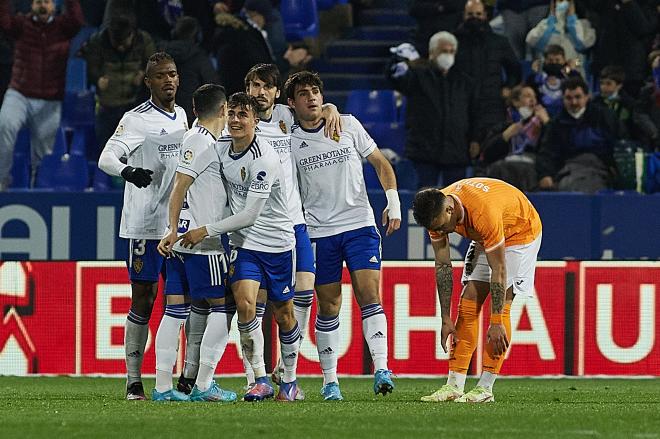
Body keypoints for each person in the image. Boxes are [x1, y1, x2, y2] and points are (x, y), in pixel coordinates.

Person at [285, 71, 402, 400]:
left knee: (369, 295)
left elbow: (381, 163)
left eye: (316, 92)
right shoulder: (290, 141)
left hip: (359, 224)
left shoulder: (347, 124)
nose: (312, 98)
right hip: (320, 232)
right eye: (303, 94)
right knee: (330, 305)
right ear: (291, 103)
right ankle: (330, 381)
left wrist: (393, 204)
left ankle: (381, 368)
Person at [179, 92, 302, 402]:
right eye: (231, 114)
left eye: (242, 115)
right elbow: (188, 173)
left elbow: (249, 215)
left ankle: (289, 380)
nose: (235, 120)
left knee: (285, 315)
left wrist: (203, 229)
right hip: (243, 245)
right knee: (245, 306)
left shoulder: (265, 158)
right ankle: (260, 379)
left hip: (277, 244)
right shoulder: (220, 147)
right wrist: (176, 221)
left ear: (254, 121)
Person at [241, 63, 342, 395]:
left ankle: (288, 372)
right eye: (253, 86)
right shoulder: (239, 121)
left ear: (275, 93)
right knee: (249, 302)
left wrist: (330, 107)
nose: (259, 92)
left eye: (265, 86)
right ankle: (254, 379)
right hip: (253, 226)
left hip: (294, 223)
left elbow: (314, 108)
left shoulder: (286, 115)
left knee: (304, 290)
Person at [98, 52, 188, 400]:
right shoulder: (134, 120)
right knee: (144, 298)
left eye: (173, 73)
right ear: (147, 82)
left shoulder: (182, 116)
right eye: (160, 75)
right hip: (143, 226)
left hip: (175, 226)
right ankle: (133, 379)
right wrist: (128, 172)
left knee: (183, 299)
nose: (168, 80)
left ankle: (178, 378)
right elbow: (106, 156)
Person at [412, 178, 542, 403]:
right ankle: (454, 385)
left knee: (502, 307)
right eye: (435, 229)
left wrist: (496, 320)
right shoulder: (437, 211)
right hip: (488, 235)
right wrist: (445, 317)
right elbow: (443, 265)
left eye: (441, 226)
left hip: (520, 233)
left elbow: (499, 269)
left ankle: (485, 388)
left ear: (450, 209)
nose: (440, 231)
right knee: (469, 301)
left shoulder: (483, 213)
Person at [154, 84, 236, 403]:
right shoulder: (203, 143)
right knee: (223, 307)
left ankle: (163, 387)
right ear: (224, 110)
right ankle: (203, 384)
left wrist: (171, 230)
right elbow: (179, 187)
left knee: (175, 311)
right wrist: (173, 228)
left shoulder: (195, 138)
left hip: (180, 239)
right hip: (202, 241)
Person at [0, 0, 84, 190]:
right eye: (38, 2)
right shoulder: (22, 25)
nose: (42, 6)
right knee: (5, 124)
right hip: (19, 93)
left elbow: (77, 19)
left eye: (46, 2)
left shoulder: (64, 28)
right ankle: (1, 179)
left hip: (50, 99)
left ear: (54, 6)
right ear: (31, 5)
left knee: (43, 154)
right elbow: (4, 21)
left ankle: (38, 188)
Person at [387, 31, 480, 188]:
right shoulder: (417, 75)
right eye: (444, 51)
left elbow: (474, 113)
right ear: (432, 53)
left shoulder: (464, 82)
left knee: (454, 201)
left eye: (451, 52)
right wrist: (399, 59)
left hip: (456, 152)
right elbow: (395, 77)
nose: (448, 55)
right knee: (424, 202)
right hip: (424, 152)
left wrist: (475, 139)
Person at [79, 11, 155, 158]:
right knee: (105, 147)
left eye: (123, 43)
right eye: (116, 43)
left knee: (136, 148)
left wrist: (143, 74)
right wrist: (97, 79)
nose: (120, 47)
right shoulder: (98, 41)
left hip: (136, 104)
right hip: (108, 104)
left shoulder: (144, 41)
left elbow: (154, 64)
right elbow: (91, 68)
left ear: (131, 35)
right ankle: (104, 178)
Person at [537, 76, 621, 193]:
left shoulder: (604, 117)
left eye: (578, 97)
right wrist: (544, 175)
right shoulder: (556, 124)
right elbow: (546, 152)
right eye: (569, 98)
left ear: (587, 97)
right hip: (567, 168)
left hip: (599, 168)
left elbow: (616, 144)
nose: (574, 102)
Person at [454, 0, 521, 134]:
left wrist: (508, 86)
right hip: (460, 105)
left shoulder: (499, 42)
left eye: (478, 14)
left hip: (492, 106)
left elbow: (515, 69)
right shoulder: (453, 41)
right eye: (470, 14)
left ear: (485, 15)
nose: (475, 18)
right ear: (464, 15)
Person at [480, 85, 550, 191]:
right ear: (515, 102)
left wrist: (547, 123)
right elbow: (487, 154)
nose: (532, 100)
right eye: (527, 96)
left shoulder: (543, 125)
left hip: (531, 166)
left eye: (534, 97)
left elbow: (554, 148)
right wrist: (505, 135)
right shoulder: (503, 125)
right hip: (505, 165)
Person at [157, 15, 219, 127]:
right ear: (197, 36)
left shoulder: (159, 54)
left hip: (160, 115)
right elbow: (213, 87)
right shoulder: (200, 57)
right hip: (190, 117)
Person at [525, 0, 596, 77]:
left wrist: (571, 20)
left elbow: (583, 45)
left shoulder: (583, 24)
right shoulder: (545, 24)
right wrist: (551, 20)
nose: (562, 5)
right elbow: (533, 41)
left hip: (574, 74)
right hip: (546, 74)